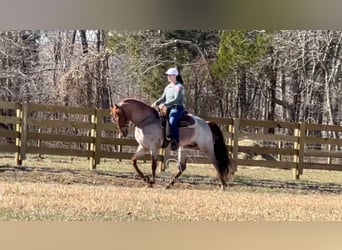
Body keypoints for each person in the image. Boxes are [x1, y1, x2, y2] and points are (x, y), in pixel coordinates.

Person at [152, 67, 186, 151]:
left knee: (172, 121)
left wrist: (165, 104)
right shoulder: (168, 87)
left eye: (169, 75)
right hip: (167, 108)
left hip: (177, 108)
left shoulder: (179, 87)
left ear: (174, 76)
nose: (168, 77)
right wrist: (155, 103)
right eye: (168, 75)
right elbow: (163, 98)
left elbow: (176, 99)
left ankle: (175, 141)